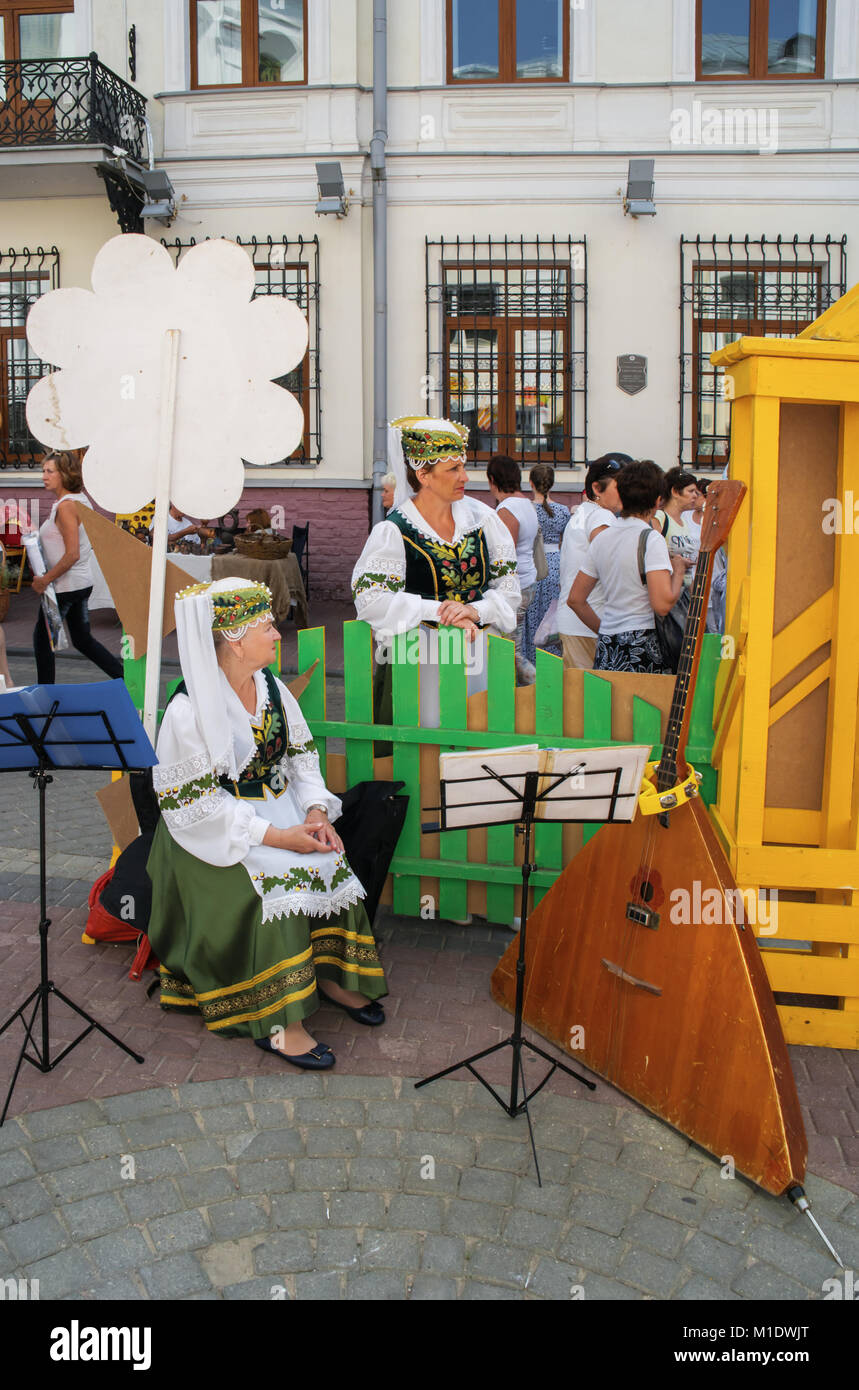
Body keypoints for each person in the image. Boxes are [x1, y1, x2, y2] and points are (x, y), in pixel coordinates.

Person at [146, 577, 388, 1071]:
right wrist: (278, 838)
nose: (279, 635)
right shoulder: (187, 709)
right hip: (209, 835)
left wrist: (316, 812)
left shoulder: (272, 687)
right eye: (267, 626)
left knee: (331, 862)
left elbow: (301, 758)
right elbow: (191, 807)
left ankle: (331, 977)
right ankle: (280, 1021)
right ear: (234, 638)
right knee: (271, 887)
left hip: (276, 812)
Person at [352, 416, 520, 727]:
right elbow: (371, 600)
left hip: (479, 653)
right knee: (426, 738)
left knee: (481, 734)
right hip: (422, 657)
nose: (465, 477)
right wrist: (442, 610)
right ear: (424, 474)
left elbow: (509, 590)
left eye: (462, 466)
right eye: (453, 469)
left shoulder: (483, 522)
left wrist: (473, 609)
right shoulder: (395, 531)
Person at [569, 460, 687, 673]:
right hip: (643, 642)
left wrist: (605, 629)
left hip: (608, 643)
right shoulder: (651, 540)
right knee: (646, 706)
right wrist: (678, 572)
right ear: (658, 500)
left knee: (609, 706)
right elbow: (662, 604)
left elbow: (576, 599)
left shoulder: (602, 539)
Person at [31, 451, 124, 686]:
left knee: (43, 641)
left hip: (64, 587)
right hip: (78, 584)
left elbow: (72, 553)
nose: (44, 476)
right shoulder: (79, 500)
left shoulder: (67, 507)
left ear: (65, 474)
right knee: (82, 640)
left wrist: (45, 580)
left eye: (50, 471)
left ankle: (45, 696)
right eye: (43, 471)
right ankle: (124, 678)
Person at [557, 454, 630, 669]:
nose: (626, 494)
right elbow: (613, 568)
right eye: (620, 487)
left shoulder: (583, 512)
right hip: (589, 622)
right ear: (597, 488)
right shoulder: (602, 517)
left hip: (574, 622)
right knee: (589, 699)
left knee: (577, 697)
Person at [486, 455, 538, 683]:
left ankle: (537, 686)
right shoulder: (526, 503)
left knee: (508, 648)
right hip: (527, 582)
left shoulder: (506, 510)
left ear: (492, 480)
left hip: (513, 588)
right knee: (513, 643)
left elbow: (504, 555)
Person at [522, 464, 571, 663]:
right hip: (556, 565)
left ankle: (530, 661)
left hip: (534, 564)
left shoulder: (527, 509)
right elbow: (566, 541)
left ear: (531, 483)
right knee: (551, 616)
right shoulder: (562, 511)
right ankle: (552, 661)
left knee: (531, 616)